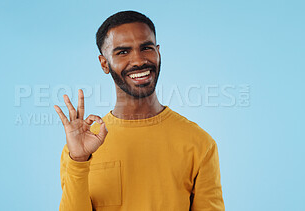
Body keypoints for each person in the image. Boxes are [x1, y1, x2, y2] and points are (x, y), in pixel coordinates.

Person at [54, 10, 225, 211]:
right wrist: (79, 161)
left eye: (146, 48)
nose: (138, 60)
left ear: (158, 52)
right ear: (104, 63)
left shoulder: (199, 143)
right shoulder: (81, 148)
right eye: (122, 52)